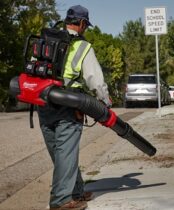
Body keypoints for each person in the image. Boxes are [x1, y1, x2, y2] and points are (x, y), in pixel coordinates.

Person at [37, 5, 111, 210]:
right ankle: (60, 201)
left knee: (61, 152)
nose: (85, 28)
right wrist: (105, 101)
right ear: (81, 23)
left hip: (43, 102)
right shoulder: (82, 46)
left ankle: (76, 191)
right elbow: (94, 79)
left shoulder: (46, 40)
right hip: (68, 105)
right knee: (65, 152)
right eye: (85, 25)